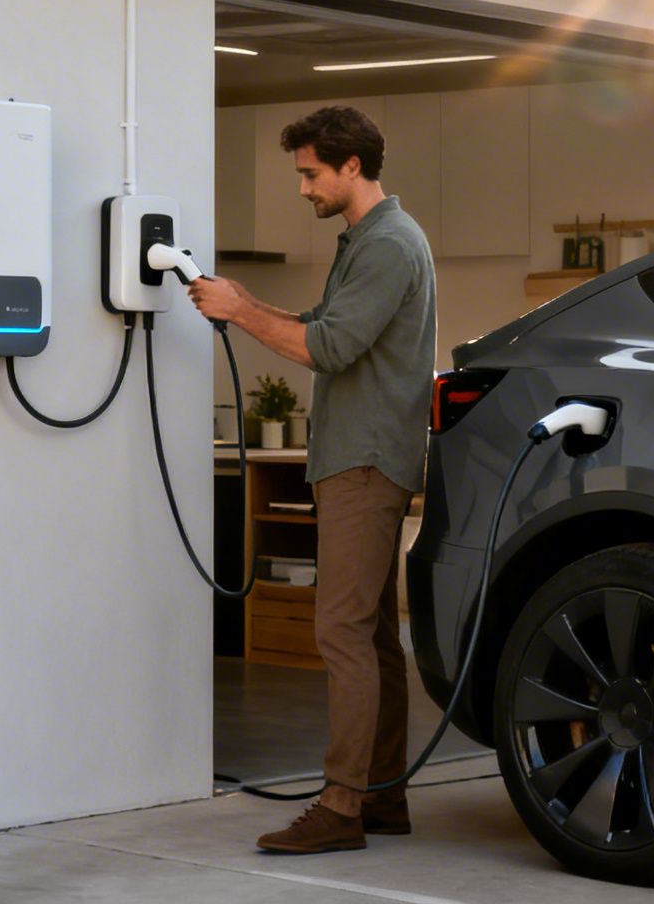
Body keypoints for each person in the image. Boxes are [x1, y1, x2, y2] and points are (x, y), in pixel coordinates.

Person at [186, 105, 437, 855]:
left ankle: (341, 807)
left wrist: (240, 313)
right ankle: (382, 794)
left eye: (310, 173)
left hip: (364, 462)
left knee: (339, 632)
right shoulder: (366, 240)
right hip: (356, 458)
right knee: (369, 636)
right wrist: (241, 303)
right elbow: (317, 318)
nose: (302, 187)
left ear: (351, 167)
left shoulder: (391, 243)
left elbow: (328, 347)